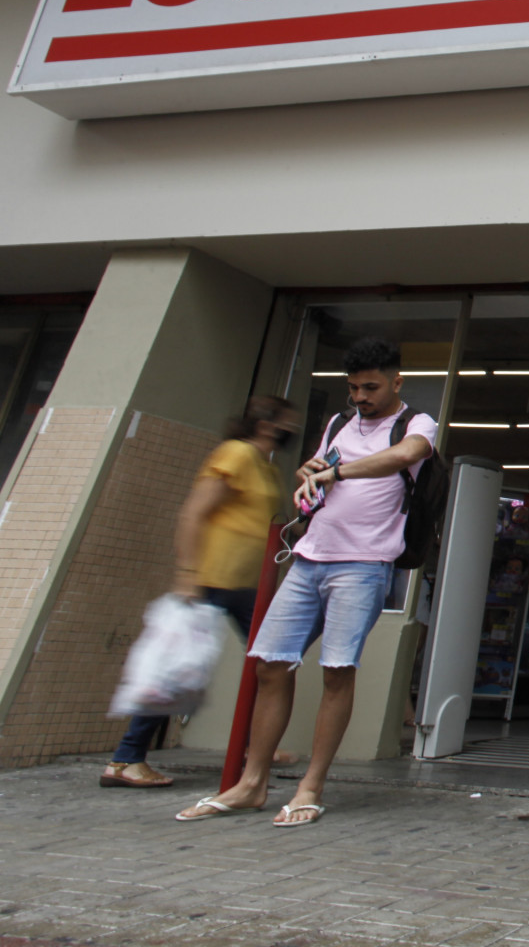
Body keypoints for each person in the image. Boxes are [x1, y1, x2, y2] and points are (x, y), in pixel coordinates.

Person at [174, 337, 436, 827]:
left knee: (337, 670)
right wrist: (311, 473)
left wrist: (340, 471)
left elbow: (403, 457)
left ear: (396, 381)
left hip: (363, 565)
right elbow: (317, 475)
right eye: (354, 387)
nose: (361, 397)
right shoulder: (339, 423)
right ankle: (251, 784)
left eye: (371, 387)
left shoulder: (416, 423)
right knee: (270, 664)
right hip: (309, 558)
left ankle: (311, 786)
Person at [102, 394, 299, 788]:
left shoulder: (266, 467)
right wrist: (187, 573)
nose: (293, 429)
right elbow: (194, 511)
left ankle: (249, 745)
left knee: (270, 665)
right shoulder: (236, 454)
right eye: (287, 422)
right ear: (266, 425)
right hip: (212, 579)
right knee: (176, 670)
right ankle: (126, 760)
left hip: (245, 585)